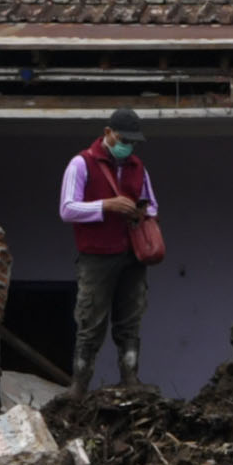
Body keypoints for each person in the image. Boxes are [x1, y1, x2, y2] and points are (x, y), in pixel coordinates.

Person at [58, 124, 158, 395]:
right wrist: (106, 205)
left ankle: (130, 379)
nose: (128, 147)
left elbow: (152, 204)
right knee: (90, 320)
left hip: (131, 254)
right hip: (96, 256)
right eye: (124, 139)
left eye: (133, 143)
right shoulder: (81, 163)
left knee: (130, 319)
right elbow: (67, 209)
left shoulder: (138, 168)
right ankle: (79, 385)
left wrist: (139, 211)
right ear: (109, 132)